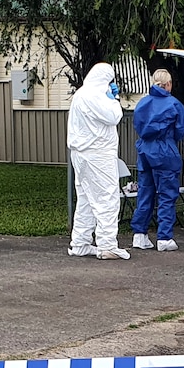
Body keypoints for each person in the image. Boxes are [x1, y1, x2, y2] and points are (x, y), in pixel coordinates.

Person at [66, 62, 130, 260]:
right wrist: (114, 99)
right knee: (106, 198)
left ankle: (80, 242)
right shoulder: (95, 96)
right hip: (98, 154)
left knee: (86, 199)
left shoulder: (81, 94)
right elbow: (114, 116)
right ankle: (107, 244)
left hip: (81, 153)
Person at [130, 69, 184, 252]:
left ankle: (139, 235)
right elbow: (181, 128)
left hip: (145, 149)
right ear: (169, 84)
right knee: (166, 194)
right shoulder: (174, 104)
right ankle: (164, 237)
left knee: (145, 192)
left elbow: (137, 125)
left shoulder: (142, 103)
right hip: (165, 150)